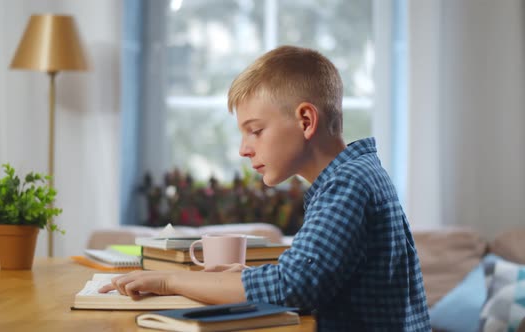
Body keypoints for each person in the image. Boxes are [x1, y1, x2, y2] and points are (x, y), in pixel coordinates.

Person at [99, 45, 431, 331]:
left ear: (305, 121)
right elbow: (314, 274)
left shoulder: (347, 185)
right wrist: (246, 277)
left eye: (255, 130)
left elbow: (293, 287)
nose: (244, 149)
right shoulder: (353, 176)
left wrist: (166, 280)